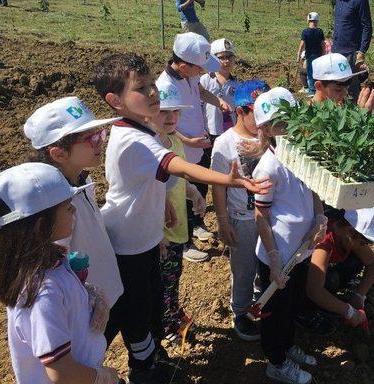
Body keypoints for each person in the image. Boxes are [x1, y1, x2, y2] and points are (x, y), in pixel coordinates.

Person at [92, 52, 270, 384]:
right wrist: (227, 179)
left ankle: (149, 357)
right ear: (115, 100)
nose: (152, 93)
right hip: (128, 246)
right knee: (131, 313)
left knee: (147, 306)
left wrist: (162, 205)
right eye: (142, 89)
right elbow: (177, 166)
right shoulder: (133, 139)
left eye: (150, 85)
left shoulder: (139, 127)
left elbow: (148, 181)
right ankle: (129, 370)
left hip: (143, 239)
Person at [0, 162, 120, 384]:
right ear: (41, 225)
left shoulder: (49, 261)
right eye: (67, 207)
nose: (74, 210)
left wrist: (87, 297)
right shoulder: (42, 293)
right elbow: (61, 372)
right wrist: (103, 378)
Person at [251, 87, 327, 384]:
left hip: (301, 249)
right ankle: (277, 361)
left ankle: (288, 345)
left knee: (292, 304)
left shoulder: (301, 154)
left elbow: (313, 189)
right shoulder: (267, 168)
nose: (288, 128)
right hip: (278, 255)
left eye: (290, 119)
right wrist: (272, 258)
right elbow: (261, 216)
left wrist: (319, 215)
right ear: (267, 129)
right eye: (280, 123)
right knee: (274, 312)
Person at [24, 96, 123, 310]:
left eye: (100, 134)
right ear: (59, 154)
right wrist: (86, 296)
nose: (101, 143)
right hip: (86, 305)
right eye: (92, 139)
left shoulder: (82, 179)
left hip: (108, 288)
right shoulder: (56, 205)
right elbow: (54, 264)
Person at [156, 33, 232, 261]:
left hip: (198, 142)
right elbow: (164, 124)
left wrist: (217, 101)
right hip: (180, 149)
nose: (202, 72)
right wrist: (188, 141)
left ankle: (197, 223)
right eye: (199, 68)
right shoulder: (165, 86)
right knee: (180, 194)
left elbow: (199, 91)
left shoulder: (189, 76)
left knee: (198, 188)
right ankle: (185, 241)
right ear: (182, 65)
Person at [211, 79, 270, 341]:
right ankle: (240, 310)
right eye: (256, 113)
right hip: (241, 217)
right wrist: (223, 223)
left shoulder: (269, 138)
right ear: (240, 111)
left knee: (265, 262)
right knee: (243, 266)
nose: (262, 120)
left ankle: (259, 299)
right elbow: (218, 186)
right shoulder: (224, 144)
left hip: (267, 215)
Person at [150, 81, 206, 341]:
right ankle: (166, 324)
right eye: (164, 111)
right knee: (162, 281)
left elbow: (180, 179)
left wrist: (193, 192)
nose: (171, 117)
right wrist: (155, 233)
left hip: (177, 225)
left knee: (174, 276)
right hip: (159, 232)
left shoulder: (174, 142)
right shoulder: (148, 147)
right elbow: (145, 194)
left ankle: (172, 312)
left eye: (176, 111)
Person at [306, 208, 374, 331]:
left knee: (355, 262)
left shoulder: (346, 236)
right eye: (363, 243)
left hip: (323, 272)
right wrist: (350, 312)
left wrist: (359, 296)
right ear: (350, 232)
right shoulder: (324, 242)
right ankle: (305, 311)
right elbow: (314, 290)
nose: (364, 246)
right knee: (328, 281)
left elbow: (372, 264)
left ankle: (330, 299)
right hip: (301, 278)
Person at [331, 0, 372, 102]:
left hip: (350, 52)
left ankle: (354, 119)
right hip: (336, 50)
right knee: (336, 86)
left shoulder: (360, 0)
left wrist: (362, 51)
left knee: (351, 88)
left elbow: (367, 27)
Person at [201, 38, 240, 140]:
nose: (226, 61)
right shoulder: (206, 80)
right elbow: (198, 106)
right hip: (209, 131)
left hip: (230, 132)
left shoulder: (238, 84)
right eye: (221, 57)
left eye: (229, 57)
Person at [296, 12, 326, 95]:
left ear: (308, 21)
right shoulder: (320, 31)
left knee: (310, 72)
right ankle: (319, 90)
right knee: (319, 72)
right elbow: (323, 44)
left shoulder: (305, 32)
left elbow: (302, 44)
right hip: (319, 55)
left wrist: (298, 55)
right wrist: (324, 54)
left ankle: (312, 90)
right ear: (316, 21)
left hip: (309, 55)